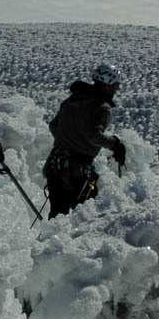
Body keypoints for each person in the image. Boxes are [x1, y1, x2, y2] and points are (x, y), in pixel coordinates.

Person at [42, 63, 127, 217]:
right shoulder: (102, 108)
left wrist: (68, 140)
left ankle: (49, 238)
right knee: (81, 215)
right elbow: (93, 136)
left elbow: (54, 126)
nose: (116, 89)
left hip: (55, 163)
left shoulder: (72, 100)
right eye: (115, 85)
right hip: (77, 170)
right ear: (108, 85)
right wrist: (115, 144)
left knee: (57, 213)